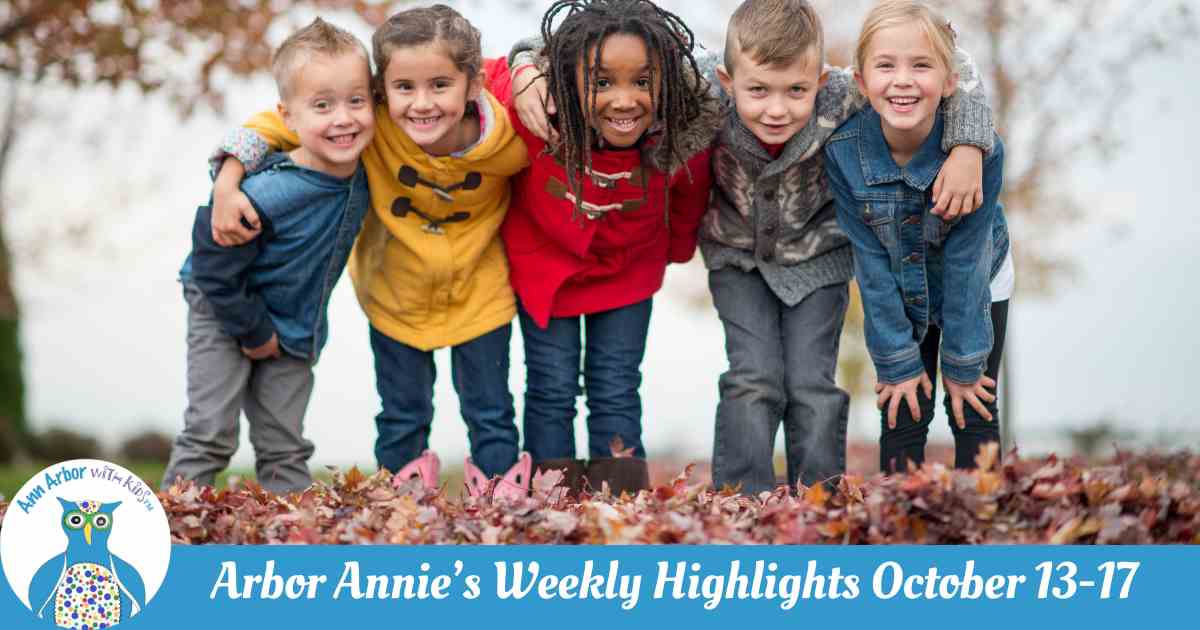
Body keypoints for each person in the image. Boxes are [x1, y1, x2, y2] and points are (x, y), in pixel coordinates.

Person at [207, 5, 532, 499]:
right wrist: (228, 182)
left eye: (439, 85)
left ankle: (502, 506)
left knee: (490, 411)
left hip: (479, 294)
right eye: (404, 88)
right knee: (402, 414)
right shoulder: (366, 124)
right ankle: (399, 506)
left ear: (472, 84)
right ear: (384, 90)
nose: (422, 104)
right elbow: (275, 123)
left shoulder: (511, 141)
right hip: (393, 295)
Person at [696, 0, 995, 493]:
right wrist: (531, 65)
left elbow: (955, 70)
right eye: (758, 91)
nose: (777, 108)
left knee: (812, 384)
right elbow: (630, 50)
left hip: (822, 258)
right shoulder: (707, 83)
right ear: (730, 82)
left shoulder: (841, 95)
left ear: (819, 79)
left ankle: (820, 495)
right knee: (754, 376)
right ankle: (741, 498)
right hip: (737, 259)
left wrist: (967, 146)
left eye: (796, 90)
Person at [501, 0, 721, 495]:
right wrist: (520, 72)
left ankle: (620, 500)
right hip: (547, 272)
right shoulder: (539, 113)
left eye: (642, 82)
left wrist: (679, 250)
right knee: (551, 388)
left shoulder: (679, 131)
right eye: (602, 83)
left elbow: (690, 190)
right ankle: (551, 500)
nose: (624, 100)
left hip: (628, 273)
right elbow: (492, 77)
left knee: (616, 387)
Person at [162, 18, 375, 494]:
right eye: (322, 105)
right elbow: (212, 265)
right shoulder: (267, 191)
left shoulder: (366, 163)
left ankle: (291, 537)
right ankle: (171, 532)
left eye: (356, 101)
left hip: (295, 321)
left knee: (284, 442)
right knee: (210, 433)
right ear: (288, 117)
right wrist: (253, 331)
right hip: (224, 309)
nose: (343, 118)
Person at [824, 0, 1013, 473]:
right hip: (895, 281)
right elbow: (868, 262)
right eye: (886, 66)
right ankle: (901, 520)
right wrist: (896, 360)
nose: (903, 79)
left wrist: (965, 363)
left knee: (974, 407)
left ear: (949, 81)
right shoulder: (844, 154)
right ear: (862, 83)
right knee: (903, 406)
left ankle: (983, 518)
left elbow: (968, 258)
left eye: (921, 65)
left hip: (979, 282)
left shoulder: (980, 152)